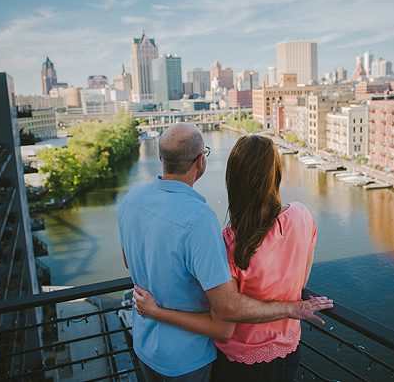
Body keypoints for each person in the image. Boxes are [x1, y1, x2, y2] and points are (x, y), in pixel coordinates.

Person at [118, 123, 331, 382]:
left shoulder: (131, 199)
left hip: (148, 344)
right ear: (200, 162)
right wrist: (292, 308)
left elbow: (129, 261)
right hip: (202, 357)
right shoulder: (301, 215)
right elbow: (229, 311)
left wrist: (155, 308)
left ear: (161, 158)